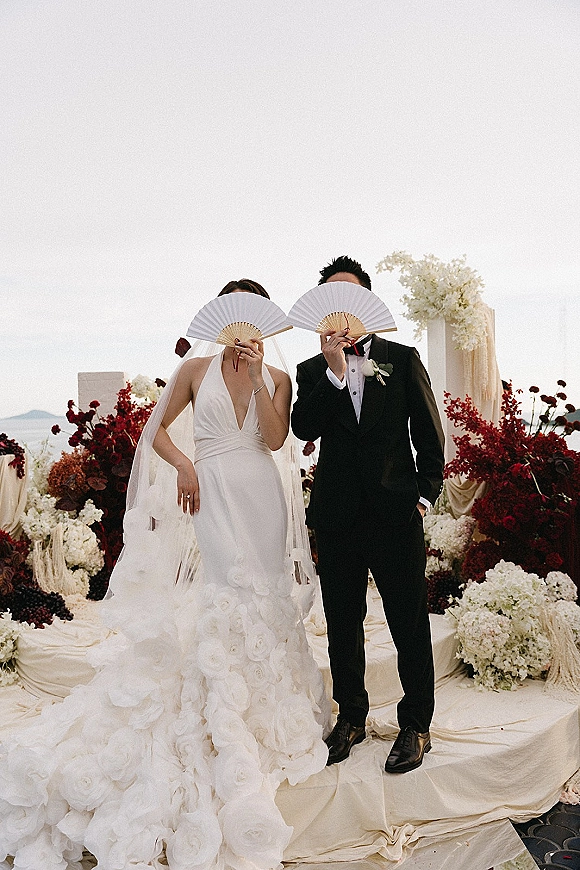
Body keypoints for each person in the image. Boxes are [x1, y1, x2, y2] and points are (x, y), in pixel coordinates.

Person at [0, 279, 329, 869]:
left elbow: (278, 438)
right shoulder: (196, 370)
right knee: (225, 587)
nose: (242, 333)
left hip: (260, 493)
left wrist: (259, 377)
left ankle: (264, 698)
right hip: (209, 491)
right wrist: (184, 466)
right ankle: (219, 695)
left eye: (253, 320)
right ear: (222, 321)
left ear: (261, 325)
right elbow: (156, 434)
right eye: (235, 319)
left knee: (265, 590)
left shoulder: (278, 377)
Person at [291, 256, 445, 773]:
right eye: (330, 297)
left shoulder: (401, 359)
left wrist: (423, 497)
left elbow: (429, 437)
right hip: (337, 517)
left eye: (349, 294)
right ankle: (351, 717)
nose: (341, 307)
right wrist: (334, 374)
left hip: (396, 514)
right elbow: (303, 428)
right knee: (343, 624)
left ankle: (416, 724)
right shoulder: (311, 371)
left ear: (366, 302)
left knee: (408, 623)